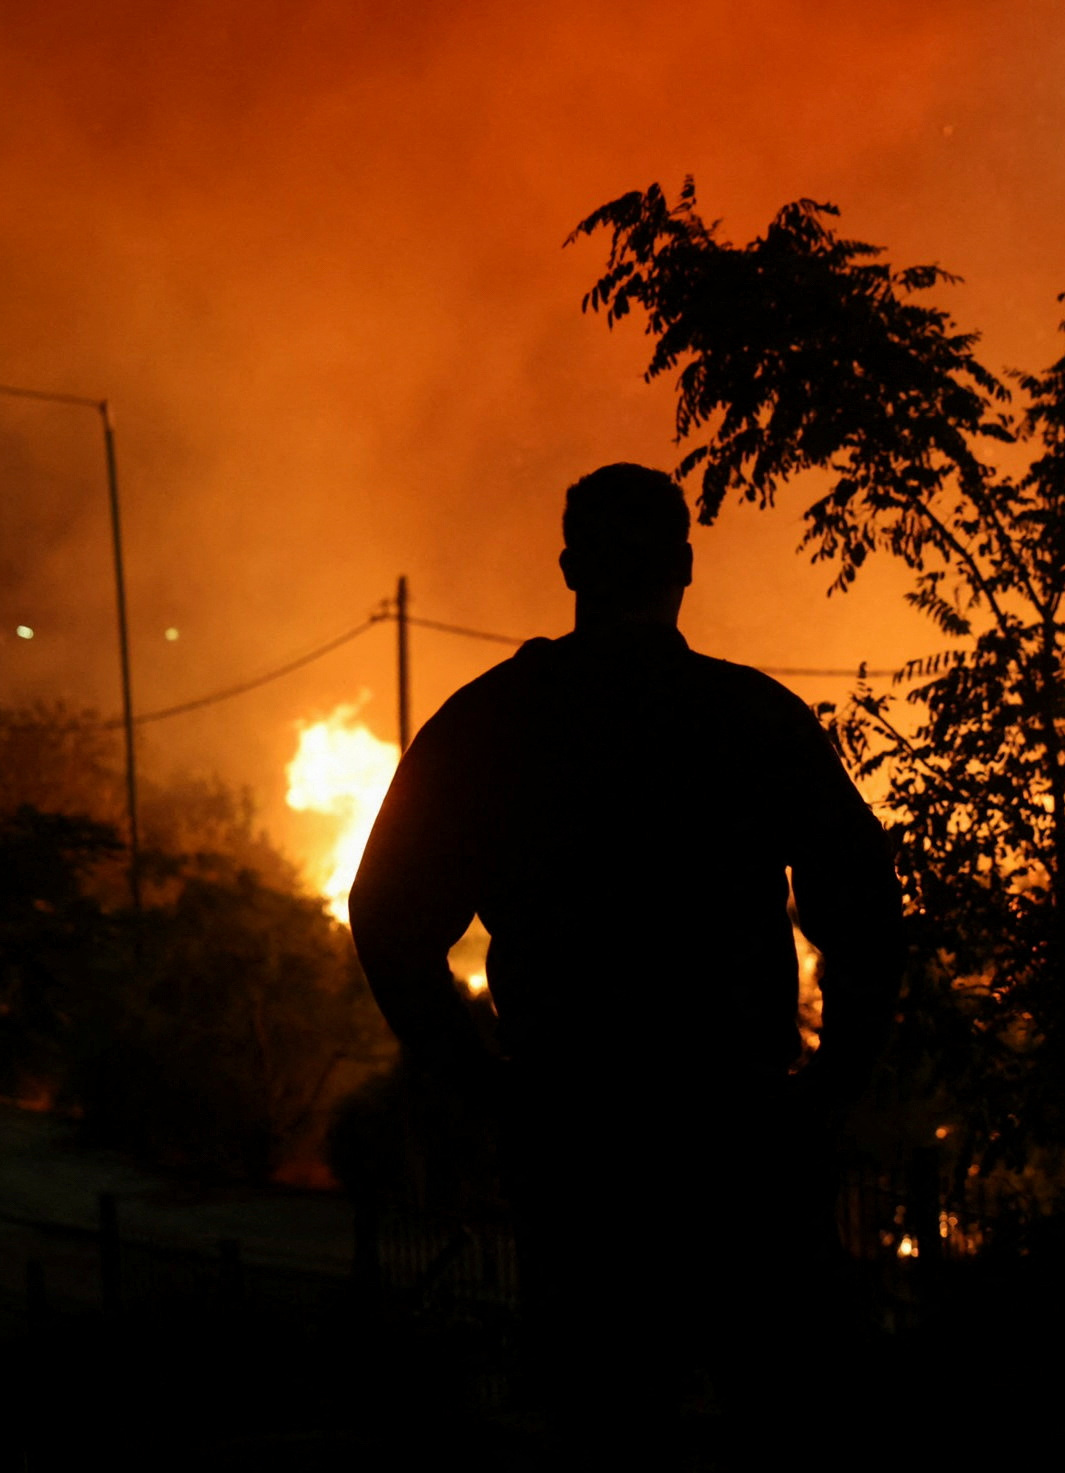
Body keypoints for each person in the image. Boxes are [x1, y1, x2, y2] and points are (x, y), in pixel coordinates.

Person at [348, 462, 903, 1444]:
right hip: (736, 1130)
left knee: (604, 1430)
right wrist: (829, 1088)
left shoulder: (492, 723)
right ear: (684, 566)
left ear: (570, 566)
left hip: (579, 1139)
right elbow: (861, 903)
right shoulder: (748, 716)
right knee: (796, 1423)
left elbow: (388, 914)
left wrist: (481, 1088)